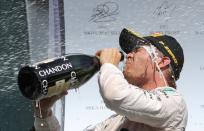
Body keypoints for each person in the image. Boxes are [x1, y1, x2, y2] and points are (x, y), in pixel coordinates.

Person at [33, 28, 188, 131]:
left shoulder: (174, 105)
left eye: (137, 49)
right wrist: (44, 114)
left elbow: (114, 95)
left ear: (162, 62)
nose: (129, 55)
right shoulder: (117, 120)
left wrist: (108, 64)